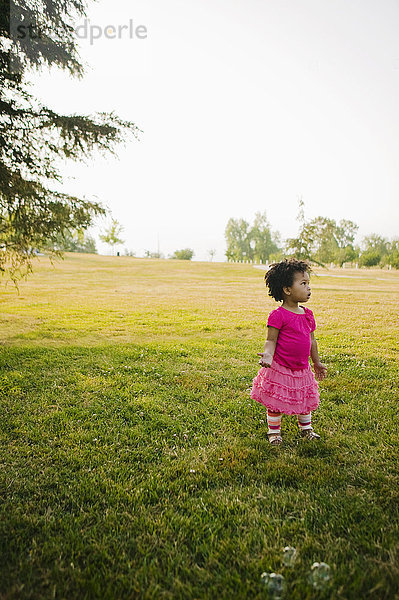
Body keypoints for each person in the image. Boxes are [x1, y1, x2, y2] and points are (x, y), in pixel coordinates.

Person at [250, 258, 327, 446]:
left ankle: (306, 428)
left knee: (304, 398)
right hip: (281, 367)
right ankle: (274, 432)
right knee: (276, 402)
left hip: (302, 368)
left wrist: (316, 362)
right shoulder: (278, 315)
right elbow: (271, 340)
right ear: (287, 290)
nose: (309, 288)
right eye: (303, 283)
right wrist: (268, 355)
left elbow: (312, 341)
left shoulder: (308, 315)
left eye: (308, 283)